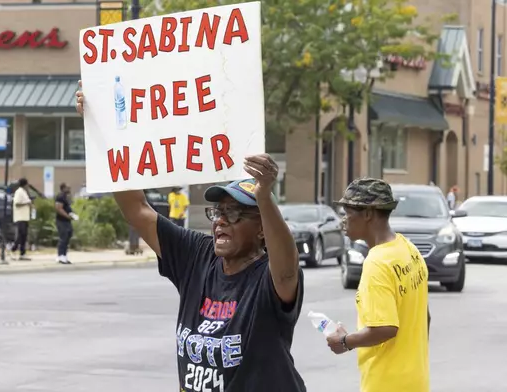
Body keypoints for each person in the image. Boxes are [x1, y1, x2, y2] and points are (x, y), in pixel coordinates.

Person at [76, 84, 307, 391]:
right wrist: (102, 127)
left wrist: (265, 197)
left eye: (235, 214)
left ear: (262, 228)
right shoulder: (198, 257)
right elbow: (138, 211)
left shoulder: (268, 280)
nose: (221, 222)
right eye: (218, 213)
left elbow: (288, 265)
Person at [327, 178, 430, 392]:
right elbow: (425, 315)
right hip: (415, 380)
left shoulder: (377, 263)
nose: (344, 220)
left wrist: (345, 341)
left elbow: (385, 328)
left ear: (368, 214)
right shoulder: (409, 250)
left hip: (386, 384)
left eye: (348, 213)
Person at [55, 183, 77, 264]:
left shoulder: (65, 197)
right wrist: (67, 216)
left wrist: (72, 214)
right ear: (63, 188)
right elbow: (58, 208)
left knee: (68, 235)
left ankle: (64, 255)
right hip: (61, 221)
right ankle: (60, 255)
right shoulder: (60, 197)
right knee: (63, 237)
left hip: (67, 221)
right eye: (68, 188)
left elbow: (68, 207)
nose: (69, 189)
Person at [13, 178, 32, 261]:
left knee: (24, 236)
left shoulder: (24, 192)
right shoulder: (19, 192)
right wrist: (26, 203)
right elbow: (17, 203)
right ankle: (13, 249)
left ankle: (22, 253)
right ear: (25, 184)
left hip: (25, 217)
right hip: (20, 217)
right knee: (21, 235)